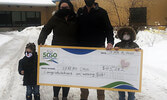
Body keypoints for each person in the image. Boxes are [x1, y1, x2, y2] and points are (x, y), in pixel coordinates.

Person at [38, 0, 78, 100]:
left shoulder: (76, 18)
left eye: (66, 8)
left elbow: (82, 32)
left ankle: (65, 96)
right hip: (57, 51)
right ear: (59, 8)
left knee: (67, 75)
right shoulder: (55, 18)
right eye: (62, 8)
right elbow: (45, 29)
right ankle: (55, 96)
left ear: (70, 7)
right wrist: (41, 41)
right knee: (57, 75)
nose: (64, 10)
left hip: (71, 51)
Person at [77, 0, 114, 100]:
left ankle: (101, 98)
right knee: (83, 75)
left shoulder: (102, 12)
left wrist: (110, 41)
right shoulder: (80, 11)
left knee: (99, 76)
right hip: (82, 50)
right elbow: (75, 28)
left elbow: (109, 29)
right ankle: (83, 97)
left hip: (98, 49)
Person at [114, 27, 140, 100]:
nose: (126, 35)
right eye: (124, 34)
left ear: (131, 35)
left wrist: (138, 51)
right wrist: (115, 50)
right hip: (120, 72)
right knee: (121, 94)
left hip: (131, 72)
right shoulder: (117, 44)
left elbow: (138, 58)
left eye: (128, 34)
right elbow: (113, 57)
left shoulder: (135, 45)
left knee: (131, 93)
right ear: (121, 35)